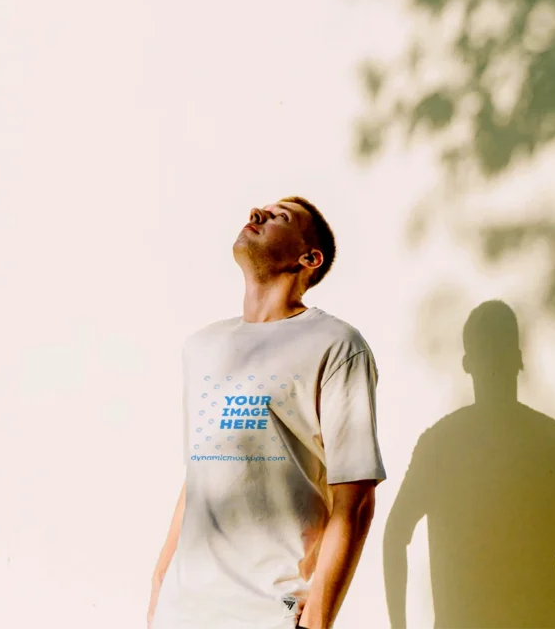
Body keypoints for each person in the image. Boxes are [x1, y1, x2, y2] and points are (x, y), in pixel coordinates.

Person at [148, 196, 386, 629]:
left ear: (308, 258)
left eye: (280, 218)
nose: (256, 215)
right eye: (259, 211)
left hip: (267, 613)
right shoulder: (202, 348)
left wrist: (317, 619)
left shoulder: (336, 345)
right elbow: (199, 476)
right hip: (181, 613)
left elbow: (355, 500)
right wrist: (159, 586)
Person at [383, 300, 555, 629]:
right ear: (520, 359)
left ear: (468, 363)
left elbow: (396, 534)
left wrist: (399, 626)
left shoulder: (441, 443)